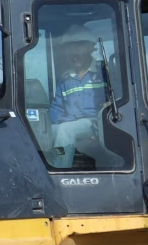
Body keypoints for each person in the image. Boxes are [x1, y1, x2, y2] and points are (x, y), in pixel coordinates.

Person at [48, 32, 120, 169]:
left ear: (90, 48)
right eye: (69, 48)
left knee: (65, 130)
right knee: (44, 132)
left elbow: (119, 98)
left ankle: (60, 172)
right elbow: (56, 108)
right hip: (72, 123)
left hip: (99, 123)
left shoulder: (105, 73)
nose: (74, 53)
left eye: (79, 47)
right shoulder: (65, 79)